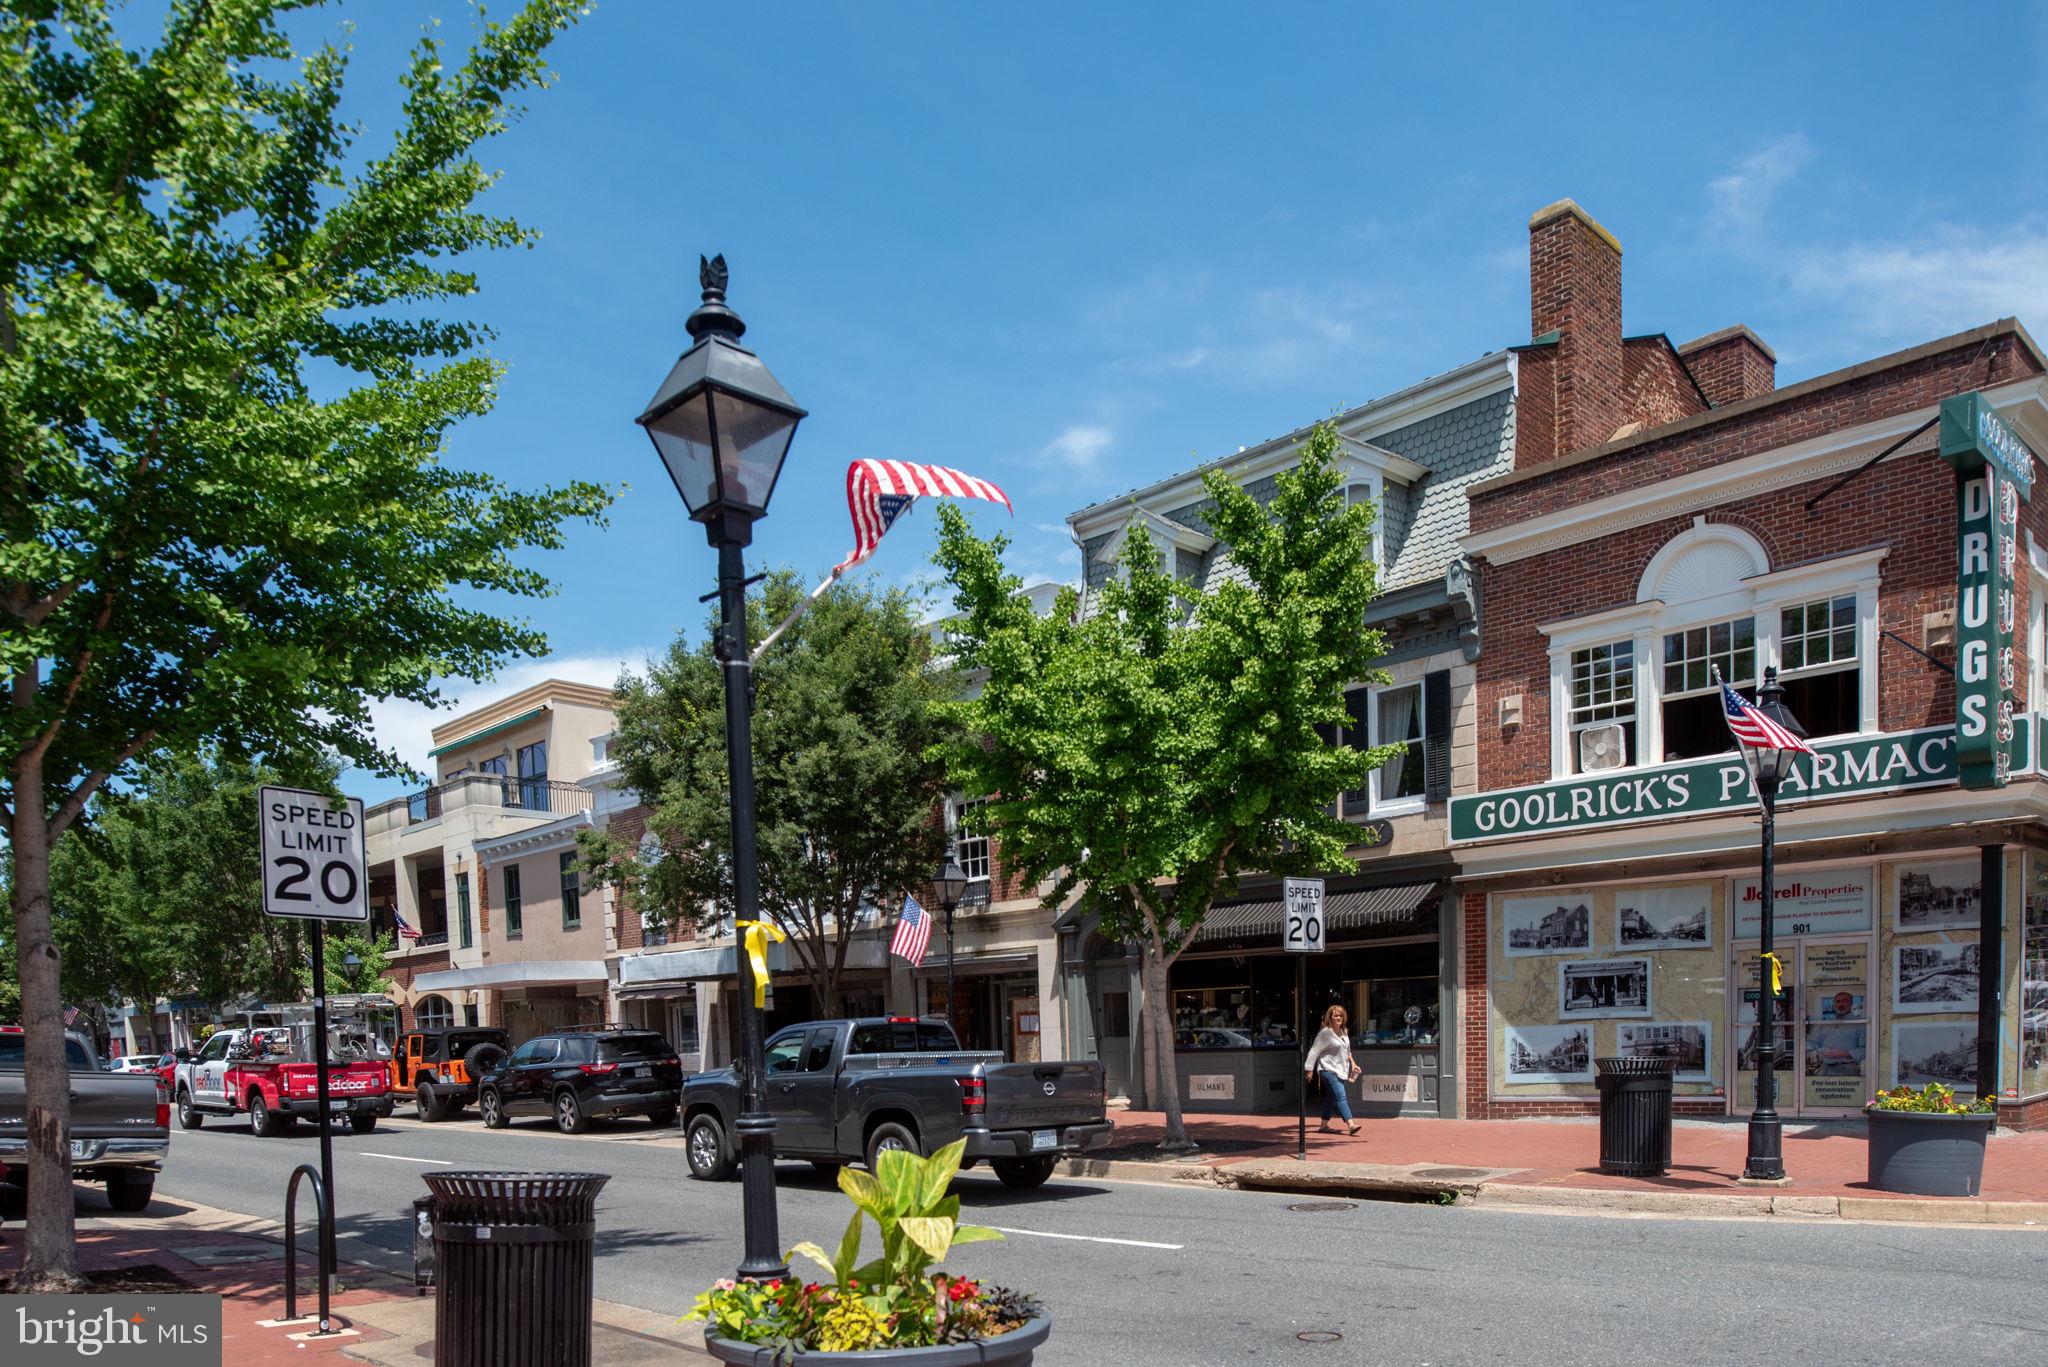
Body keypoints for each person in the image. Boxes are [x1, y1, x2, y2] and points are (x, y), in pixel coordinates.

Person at [1303, 1004, 1361, 1135]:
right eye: (1335, 1015)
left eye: (1341, 1015)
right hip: (1327, 1069)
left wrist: (1353, 1064)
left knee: (1332, 1098)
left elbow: (1347, 1051)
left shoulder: (1344, 1032)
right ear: (1330, 1017)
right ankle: (1351, 1124)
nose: (1338, 1018)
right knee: (1341, 1095)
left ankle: (1323, 1125)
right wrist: (1309, 1069)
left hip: (1341, 1070)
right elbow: (1314, 1051)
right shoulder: (1325, 1033)